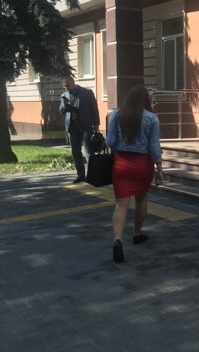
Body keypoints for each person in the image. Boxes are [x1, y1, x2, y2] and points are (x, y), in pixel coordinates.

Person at [106, 85, 163, 263]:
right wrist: (159, 168)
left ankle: (117, 240)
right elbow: (154, 146)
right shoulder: (152, 118)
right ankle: (137, 234)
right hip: (142, 164)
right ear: (146, 99)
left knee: (121, 205)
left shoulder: (116, 115)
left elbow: (110, 141)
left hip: (121, 163)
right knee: (141, 198)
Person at [59, 76, 100, 183]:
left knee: (88, 151)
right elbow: (61, 111)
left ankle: (92, 175)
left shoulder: (86, 92)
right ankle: (80, 175)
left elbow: (94, 108)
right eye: (65, 86)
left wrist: (96, 123)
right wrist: (65, 104)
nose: (67, 88)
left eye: (68, 85)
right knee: (75, 151)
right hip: (72, 127)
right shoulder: (64, 95)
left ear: (73, 82)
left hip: (85, 126)